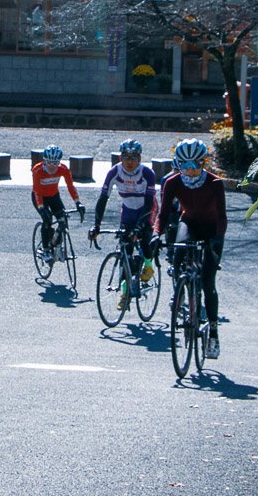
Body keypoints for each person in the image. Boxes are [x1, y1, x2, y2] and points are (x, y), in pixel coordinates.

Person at [154, 138, 227, 360]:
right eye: (185, 165)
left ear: (204, 163)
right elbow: (164, 215)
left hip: (212, 229)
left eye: (196, 164)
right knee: (177, 255)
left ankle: (213, 333)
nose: (191, 170)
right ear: (178, 164)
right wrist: (156, 234)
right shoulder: (172, 183)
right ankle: (182, 290)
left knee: (207, 282)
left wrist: (217, 239)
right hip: (190, 223)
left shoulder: (215, 183)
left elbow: (223, 217)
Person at [88, 139, 157, 291]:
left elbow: (149, 202)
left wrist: (140, 226)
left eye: (133, 157)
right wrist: (97, 225)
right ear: (120, 158)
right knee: (125, 246)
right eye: (126, 157)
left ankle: (148, 264)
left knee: (143, 235)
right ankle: (125, 293)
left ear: (139, 158)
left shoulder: (147, 173)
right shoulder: (114, 172)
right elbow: (103, 199)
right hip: (128, 209)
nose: (129, 161)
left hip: (146, 208)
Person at [31, 145, 84, 259]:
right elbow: (37, 191)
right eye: (49, 163)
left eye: (55, 163)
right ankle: (45, 250)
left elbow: (70, 186)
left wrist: (78, 202)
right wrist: (41, 208)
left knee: (63, 220)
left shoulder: (63, 169)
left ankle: (57, 246)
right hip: (40, 197)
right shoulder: (37, 170)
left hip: (54, 196)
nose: (52, 166)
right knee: (47, 219)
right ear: (44, 161)